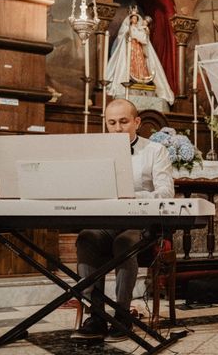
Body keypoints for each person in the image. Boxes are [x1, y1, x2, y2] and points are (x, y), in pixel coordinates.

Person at [71, 98, 175, 342]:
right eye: (112, 122)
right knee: (86, 237)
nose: (117, 128)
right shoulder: (96, 153)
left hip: (141, 224)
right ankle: (95, 314)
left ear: (137, 122)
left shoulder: (155, 151)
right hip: (106, 222)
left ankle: (121, 314)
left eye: (124, 121)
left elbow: (166, 192)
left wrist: (133, 195)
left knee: (125, 243)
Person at [105, 8, 175, 105]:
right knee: (130, 63)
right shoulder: (127, 28)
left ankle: (140, 79)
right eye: (133, 18)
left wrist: (144, 33)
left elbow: (144, 40)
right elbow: (123, 36)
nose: (134, 20)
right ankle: (130, 80)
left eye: (136, 18)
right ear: (130, 19)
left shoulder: (139, 29)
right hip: (130, 48)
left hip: (138, 48)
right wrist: (131, 34)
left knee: (140, 63)